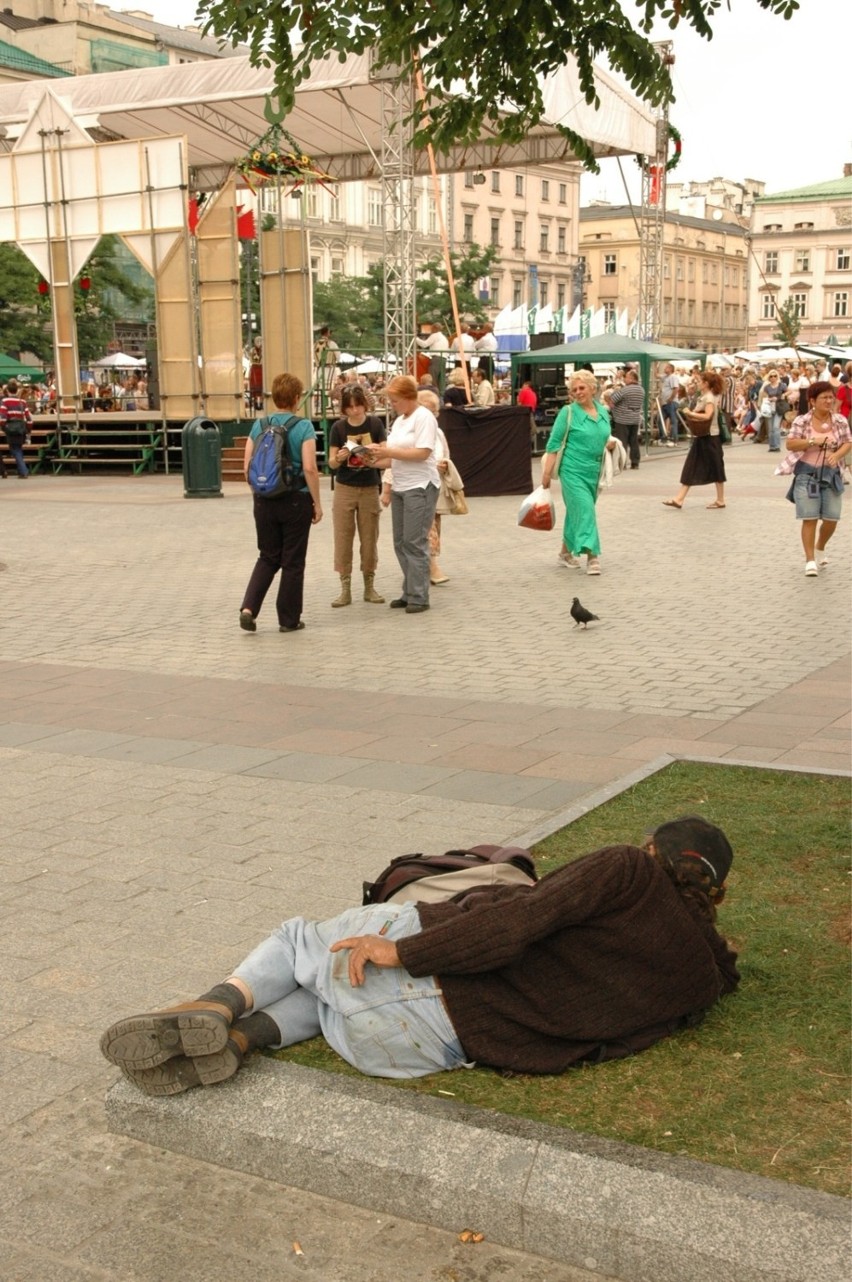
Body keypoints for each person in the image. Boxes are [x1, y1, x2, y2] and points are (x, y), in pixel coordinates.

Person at [99, 816, 739, 1095]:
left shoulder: (629, 872)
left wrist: (403, 950)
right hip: (410, 1052)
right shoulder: (702, 981)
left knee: (306, 940)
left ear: (653, 852)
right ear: (718, 893)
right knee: (332, 985)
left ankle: (214, 1009)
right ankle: (240, 1045)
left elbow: (517, 923)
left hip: (434, 990)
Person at [239, 373, 322, 634]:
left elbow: (246, 467)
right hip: (294, 499)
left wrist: (260, 491)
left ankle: (248, 608)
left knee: (267, 556)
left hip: (264, 500)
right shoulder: (304, 426)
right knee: (293, 561)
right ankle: (288, 620)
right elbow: (309, 468)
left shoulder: (260, 424)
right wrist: (316, 503)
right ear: (297, 398)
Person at [367, 375, 439, 614]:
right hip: (400, 485)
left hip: (420, 485)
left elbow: (423, 453)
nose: (392, 405)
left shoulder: (424, 418)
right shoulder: (399, 422)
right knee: (400, 541)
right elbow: (393, 457)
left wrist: (388, 451)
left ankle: (419, 595)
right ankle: (409, 590)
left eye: (395, 400)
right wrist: (369, 460)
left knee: (414, 541)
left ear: (409, 397)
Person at [541, 369, 615, 575]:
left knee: (578, 512)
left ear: (592, 388)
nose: (578, 392)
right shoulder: (568, 412)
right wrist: (546, 476)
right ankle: (592, 556)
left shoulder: (602, 412)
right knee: (585, 510)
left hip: (593, 471)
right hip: (572, 471)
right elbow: (553, 445)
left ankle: (564, 553)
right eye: (574, 390)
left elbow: (604, 437)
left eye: (582, 388)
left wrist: (609, 445)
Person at [782, 381, 852, 577]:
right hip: (807, 475)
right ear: (813, 401)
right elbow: (790, 444)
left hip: (831, 475)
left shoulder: (839, 420)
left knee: (832, 518)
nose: (829, 401)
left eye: (831, 397)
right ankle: (810, 560)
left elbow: (848, 442)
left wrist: (837, 456)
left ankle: (820, 545)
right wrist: (813, 441)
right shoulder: (802, 421)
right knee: (809, 517)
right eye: (824, 398)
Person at [327, 385, 387, 608]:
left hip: (369, 486)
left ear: (365, 404)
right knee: (343, 537)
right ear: (344, 408)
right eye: (350, 407)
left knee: (370, 537)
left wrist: (373, 450)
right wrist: (341, 457)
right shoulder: (338, 428)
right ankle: (345, 588)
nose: (354, 411)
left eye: (358, 405)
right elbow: (331, 462)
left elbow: (386, 450)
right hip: (345, 486)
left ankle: (369, 586)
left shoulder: (375, 424)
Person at [663, 368, 727, 511]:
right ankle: (680, 498)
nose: (697, 383)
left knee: (712, 467)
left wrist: (690, 413)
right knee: (702, 466)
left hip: (709, 436)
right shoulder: (707, 396)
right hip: (706, 436)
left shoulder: (709, 397)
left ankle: (719, 499)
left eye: (699, 381)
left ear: (706, 383)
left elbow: (708, 416)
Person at [417, 388, 452, 585]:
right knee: (427, 527)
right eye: (426, 409)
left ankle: (427, 563)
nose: (430, 415)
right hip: (417, 486)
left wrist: (444, 463)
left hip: (435, 485)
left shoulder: (438, 433)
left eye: (434, 411)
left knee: (435, 527)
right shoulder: (413, 430)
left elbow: (446, 454)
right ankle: (432, 566)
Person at [605, 368, 644, 469]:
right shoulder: (641, 390)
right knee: (634, 441)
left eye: (626, 377)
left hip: (622, 419)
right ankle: (635, 462)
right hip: (635, 418)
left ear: (631, 378)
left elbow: (613, 399)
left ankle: (622, 463)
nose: (624, 379)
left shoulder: (625, 390)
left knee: (622, 441)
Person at [0, 379, 32, 478]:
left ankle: (24, 471)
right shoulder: (22, 402)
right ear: (17, 390)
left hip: (11, 428)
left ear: (8, 390)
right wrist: (28, 429)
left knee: (15, 450)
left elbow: (2, 417)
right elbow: (29, 418)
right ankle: (20, 471)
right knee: (19, 449)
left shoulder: (5, 401)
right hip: (21, 428)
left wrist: (3, 427)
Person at [755, 368, 784, 452]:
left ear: (777, 376)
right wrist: (768, 399)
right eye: (771, 376)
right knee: (770, 429)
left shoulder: (781, 385)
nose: (773, 378)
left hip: (778, 408)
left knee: (776, 427)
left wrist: (781, 396)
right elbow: (763, 395)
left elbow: (788, 391)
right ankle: (772, 446)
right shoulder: (766, 387)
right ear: (769, 377)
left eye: (775, 376)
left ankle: (777, 446)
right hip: (769, 408)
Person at [658, 362, 680, 446]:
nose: (664, 368)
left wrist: (671, 398)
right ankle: (663, 438)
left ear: (670, 369)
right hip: (665, 403)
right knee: (660, 420)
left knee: (673, 420)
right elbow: (656, 375)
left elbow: (676, 388)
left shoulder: (673, 377)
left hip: (671, 402)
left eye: (666, 367)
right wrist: (657, 364)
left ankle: (674, 439)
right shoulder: (665, 377)